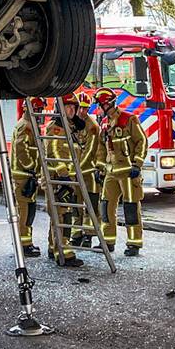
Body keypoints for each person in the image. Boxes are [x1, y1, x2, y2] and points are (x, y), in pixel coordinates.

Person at [95, 88, 147, 257]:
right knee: (106, 206)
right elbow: (102, 147)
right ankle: (108, 241)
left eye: (101, 105)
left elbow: (142, 141)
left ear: (108, 104)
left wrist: (137, 164)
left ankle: (134, 243)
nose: (99, 108)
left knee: (131, 208)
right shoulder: (104, 123)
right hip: (111, 172)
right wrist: (99, 167)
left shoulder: (128, 119)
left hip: (128, 172)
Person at [44, 99, 85, 268]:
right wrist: (63, 175)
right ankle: (64, 253)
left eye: (74, 107)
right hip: (58, 180)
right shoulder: (56, 127)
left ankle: (53, 247)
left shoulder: (71, 127)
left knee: (58, 214)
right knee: (62, 216)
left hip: (67, 179)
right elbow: (52, 152)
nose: (71, 110)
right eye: (68, 107)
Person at [9, 99, 44, 258]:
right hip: (23, 176)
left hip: (28, 176)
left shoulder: (30, 125)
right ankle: (23, 245)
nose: (40, 113)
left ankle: (26, 242)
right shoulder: (26, 126)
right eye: (38, 109)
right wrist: (31, 166)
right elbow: (21, 149)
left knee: (29, 211)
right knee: (24, 212)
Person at [70, 90, 104, 247]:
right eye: (80, 108)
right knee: (75, 205)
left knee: (91, 204)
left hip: (88, 172)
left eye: (85, 108)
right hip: (75, 172)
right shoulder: (71, 123)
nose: (82, 111)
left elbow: (90, 152)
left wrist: (76, 169)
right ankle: (76, 234)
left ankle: (88, 235)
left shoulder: (92, 127)